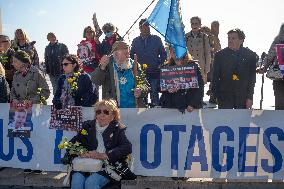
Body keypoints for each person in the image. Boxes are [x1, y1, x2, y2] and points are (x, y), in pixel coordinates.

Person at [63, 99, 136, 189]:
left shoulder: (118, 129)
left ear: (113, 115)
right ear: (96, 114)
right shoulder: (87, 126)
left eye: (106, 112)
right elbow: (72, 144)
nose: (102, 115)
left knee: (91, 183)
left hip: (106, 168)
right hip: (85, 165)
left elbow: (127, 147)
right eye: (98, 112)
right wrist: (80, 152)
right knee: (76, 182)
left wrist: (103, 155)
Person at [91, 41, 149, 108]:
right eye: (125, 54)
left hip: (134, 109)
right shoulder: (107, 65)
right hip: (114, 111)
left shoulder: (134, 65)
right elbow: (96, 81)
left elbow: (145, 85)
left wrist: (141, 90)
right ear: (115, 54)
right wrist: (102, 67)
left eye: (128, 53)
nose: (128, 56)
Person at [212, 28, 257, 109]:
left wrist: (250, 98)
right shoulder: (220, 55)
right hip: (224, 96)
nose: (230, 41)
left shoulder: (250, 55)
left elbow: (252, 79)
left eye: (233, 38)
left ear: (241, 40)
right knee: (225, 121)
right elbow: (215, 77)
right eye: (228, 38)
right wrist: (214, 95)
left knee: (241, 121)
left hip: (242, 97)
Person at [130, 18, 167, 107]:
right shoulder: (135, 41)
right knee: (143, 94)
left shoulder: (156, 39)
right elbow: (131, 56)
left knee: (154, 92)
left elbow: (163, 54)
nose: (145, 28)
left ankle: (156, 110)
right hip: (141, 73)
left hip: (154, 71)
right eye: (143, 26)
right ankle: (143, 112)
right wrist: (135, 67)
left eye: (147, 25)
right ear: (139, 28)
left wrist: (159, 63)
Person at [159, 46, 204, 112]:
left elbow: (200, 88)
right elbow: (158, 86)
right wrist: (167, 89)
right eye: (173, 51)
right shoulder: (165, 67)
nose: (175, 52)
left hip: (190, 106)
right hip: (170, 106)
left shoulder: (193, 66)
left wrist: (192, 104)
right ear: (170, 52)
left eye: (178, 50)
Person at [257, 23, 284, 110]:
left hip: (278, 77)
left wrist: (264, 67)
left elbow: (269, 58)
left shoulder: (278, 41)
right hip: (279, 78)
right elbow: (269, 57)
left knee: (280, 105)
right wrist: (264, 67)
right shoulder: (278, 41)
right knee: (280, 105)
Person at [185, 17, 211, 84]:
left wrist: (207, 67)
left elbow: (207, 53)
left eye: (196, 23)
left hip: (201, 66)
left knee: (200, 87)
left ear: (200, 25)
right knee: (189, 86)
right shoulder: (186, 37)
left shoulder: (204, 37)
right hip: (189, 66)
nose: (194, 25)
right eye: (192, 24)